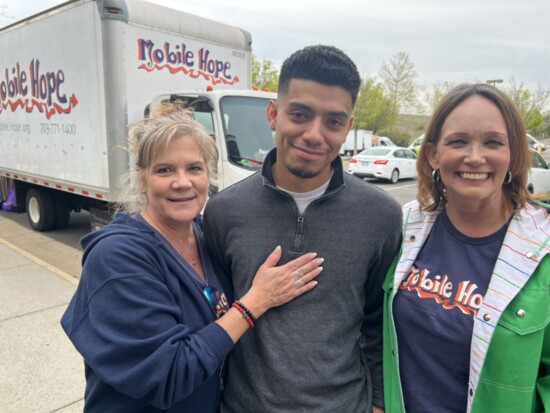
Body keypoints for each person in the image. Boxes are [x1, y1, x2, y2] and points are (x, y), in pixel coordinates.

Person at [60, 103, 323, 412]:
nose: (182, 182)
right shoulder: (117, 258)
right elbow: (168, 375)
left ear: (207, 175)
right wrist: (256, 301)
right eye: (164, 169)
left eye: (194, 168)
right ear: (142, 179)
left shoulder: (204, 234)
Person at [204, 45, 402, 412]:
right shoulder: (223, 212)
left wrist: (377, 403)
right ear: (273, 114)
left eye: (333, 121)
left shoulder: (382, 216)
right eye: (300, 114)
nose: (314, 134)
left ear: (348, 128)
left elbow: (378, 320)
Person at [382, 83, 550, 412]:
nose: (474, 157)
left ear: (513, 153)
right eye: (458, 142)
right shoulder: (404, 230)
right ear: (433, 154)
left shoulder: (542, 252)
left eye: (492, 142)